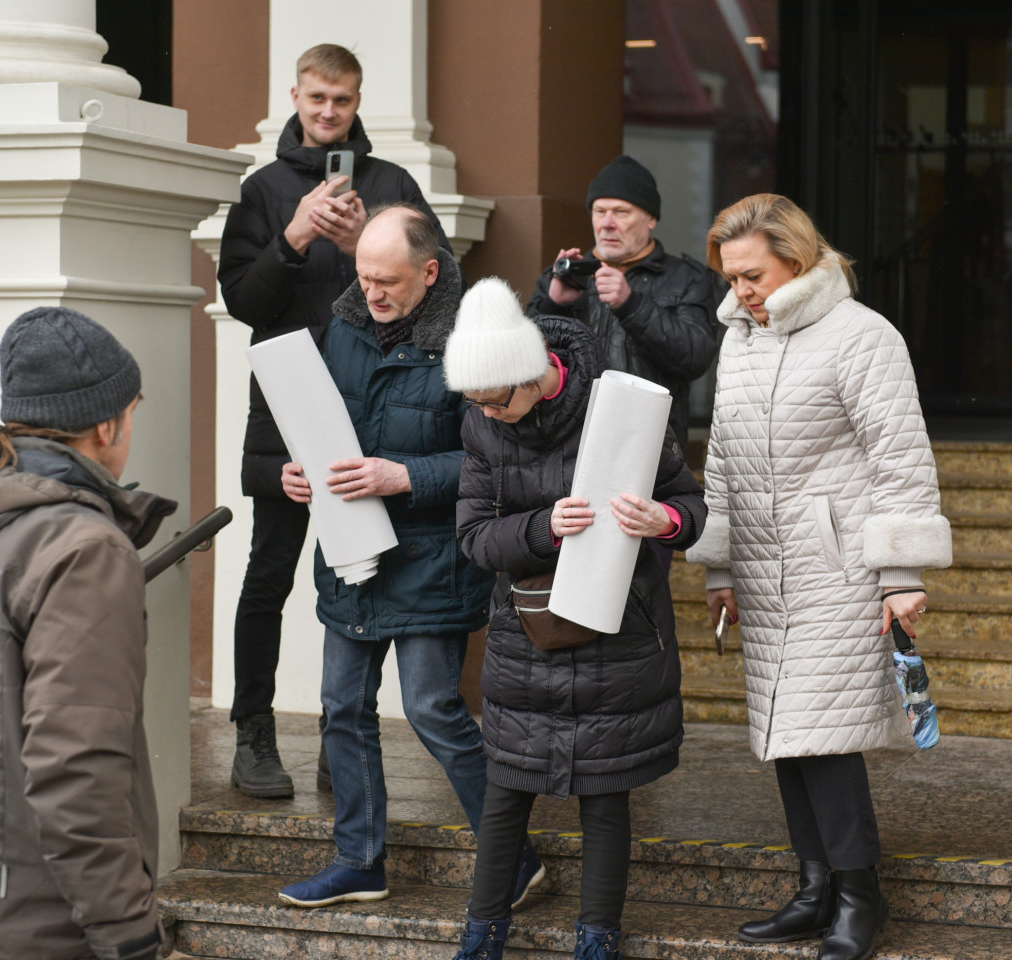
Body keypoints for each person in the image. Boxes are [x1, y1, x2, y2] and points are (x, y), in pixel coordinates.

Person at [688, 194, 952, 960]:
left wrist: (901, 572)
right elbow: (725, 465)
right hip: (765, 573)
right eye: (731, 277)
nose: (739, 290)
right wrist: (718, 569)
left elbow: (898, 458)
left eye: (752, 274)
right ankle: (814, 890)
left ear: (796, 261)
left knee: (825, 738)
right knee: (787, 734)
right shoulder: (739, 338)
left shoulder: (863, 337)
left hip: (836, 569)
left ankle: (857, 898)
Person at [0, 307, 176, 960]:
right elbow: (76, 770)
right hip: (31, 933)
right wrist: (131, 937)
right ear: (107, 423)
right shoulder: (84, 549)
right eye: (133, 411)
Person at [273, 206, 543, 909]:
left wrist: (405, 476)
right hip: (351, 554)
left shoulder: (471, 342)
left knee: (432, 711)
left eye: (387, 281)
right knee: (342, 710)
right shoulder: (344, 327)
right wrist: (298, 470)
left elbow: (498, 459)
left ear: (431, 273)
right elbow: (324, 429)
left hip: (429, 560)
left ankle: (515, 857)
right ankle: (359, 860)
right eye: (363, 278)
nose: (372, 294)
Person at [442, 278, 707, 960]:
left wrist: (666, 520)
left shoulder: (623, 406)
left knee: (606, 797)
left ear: (534, 375)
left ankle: (597, 940)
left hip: (615, 633)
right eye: (476, 403)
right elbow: (474, 538)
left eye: (496, 400)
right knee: (504, 799)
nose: (489, 415)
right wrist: (540, 527)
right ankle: (480, 937)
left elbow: (689, 504)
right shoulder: (481, 423)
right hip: (523, 637)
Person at [218, 42, 453, 798]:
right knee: (269, 575)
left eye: (342, 101)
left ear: (358, 102)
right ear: (295, 95)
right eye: (316, 99)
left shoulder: (392, 184)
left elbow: (443, 284)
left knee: (370, 569)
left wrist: (360, 242)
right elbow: (243, 304)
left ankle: (339, 734)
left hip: (384, 403)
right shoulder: (260, 192)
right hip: (287, 411)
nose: (328, 113)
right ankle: (254, 734)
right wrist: (294, 237)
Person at [526, 154, 719, 454]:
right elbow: (525, 364)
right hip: (568, 445)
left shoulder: (686, 278)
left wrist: (631, 305)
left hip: (651, 447)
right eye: (599, 211)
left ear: (651, 219)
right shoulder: (563, 277)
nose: (607, 224)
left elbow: (695, 357)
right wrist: (554, 306)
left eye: (621, 212)